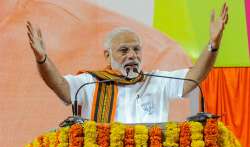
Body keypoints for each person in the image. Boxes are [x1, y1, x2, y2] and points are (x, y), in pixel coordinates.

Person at [26, 3, 228, 123]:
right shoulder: (89, 83)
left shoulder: (157, 81)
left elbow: (194, 76)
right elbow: (59, 85)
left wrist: (213, 46)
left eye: (136, 49)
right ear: (108, 55)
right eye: (124, 50)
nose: (132, 55)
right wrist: (42, 59)